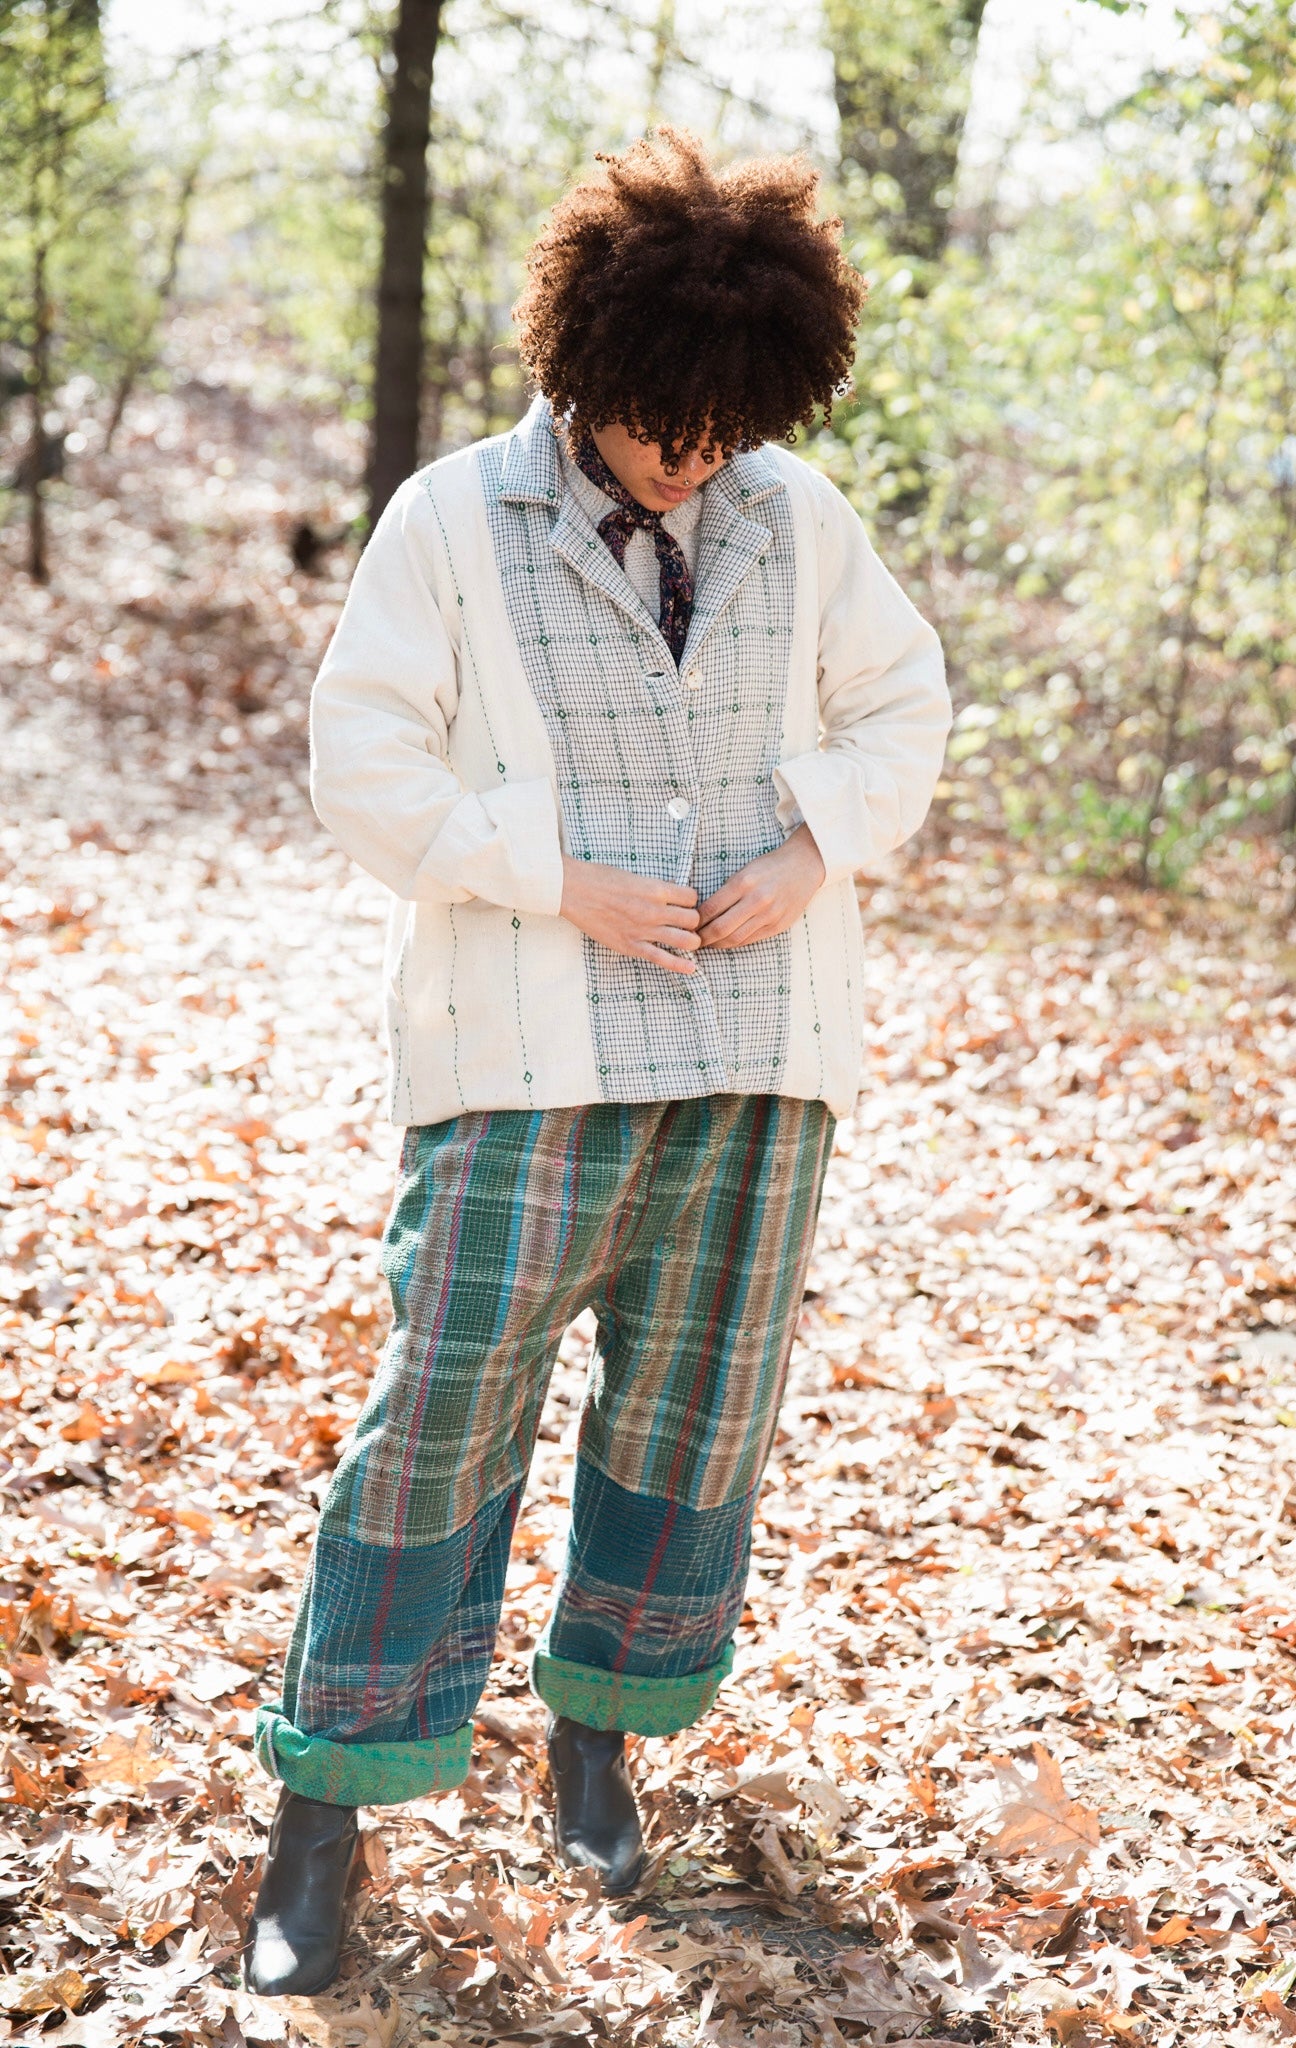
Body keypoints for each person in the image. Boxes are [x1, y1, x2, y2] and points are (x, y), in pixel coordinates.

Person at [244, 125, 951, 1998]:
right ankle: (326, 1811)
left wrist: (812, 848)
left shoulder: (798, 520)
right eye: (665, 424)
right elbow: (363, 759)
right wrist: (556, 882)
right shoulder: (450, 521)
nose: (694, 458)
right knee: (440, 1417)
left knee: (688, 1427)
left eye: (729, 427)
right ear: (589, 370)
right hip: (519, 1063)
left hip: (755, 1059)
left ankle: (595, 1743)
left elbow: (902, 703)